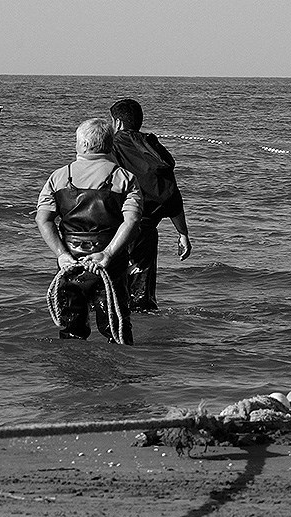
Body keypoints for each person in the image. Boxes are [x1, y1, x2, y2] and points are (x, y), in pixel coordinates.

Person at [36, 118, 143, 343]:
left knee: (71, 331)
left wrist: (62, 255)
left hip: (69, 265)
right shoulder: (124, 178)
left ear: (82, 145)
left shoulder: (59, 176)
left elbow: (43, 220)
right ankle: (122, 374)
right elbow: (132, 221)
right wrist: (108, 254)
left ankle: (72, 374)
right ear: (110, 145)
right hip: (109, 265)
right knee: (117, 331)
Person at [109, 98, 192, 313]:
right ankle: (145, 340)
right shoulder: (154, 150)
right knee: (141, 297)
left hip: (115, 228)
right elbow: (170, 194)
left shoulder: (112, 145)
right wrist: (182, 233)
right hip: (145, 231)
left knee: (108, 291)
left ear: (117, 123)